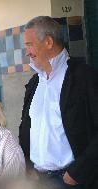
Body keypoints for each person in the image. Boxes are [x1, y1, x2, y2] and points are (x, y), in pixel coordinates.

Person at [19, 16, 98, 189]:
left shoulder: (85, 77)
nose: (27, 51)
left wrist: (79, 172)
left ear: (48, 42)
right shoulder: (34, 83)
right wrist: (28, 167)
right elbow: (26, 127)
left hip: (71, 181)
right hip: (38, 181)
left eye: (29, 44)